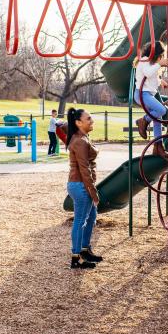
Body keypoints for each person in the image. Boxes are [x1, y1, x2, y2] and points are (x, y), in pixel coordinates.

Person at [66, 108, 103, 269]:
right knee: (80, 220)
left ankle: (84, 250)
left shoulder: (82, 138)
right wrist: (93, 192)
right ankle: (76, 258)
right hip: (80, 185)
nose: (92, 121)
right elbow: (84, 169)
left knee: (91, 217)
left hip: (80, 184)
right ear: (78, 123)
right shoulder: (80, 141)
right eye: (88, 119)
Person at [134, 41, 168, 157]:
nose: (161, 58)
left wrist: (161, 82)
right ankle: (143, 120)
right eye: (161, 55)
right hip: (142, 94)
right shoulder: (144, 60)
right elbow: (147, 73)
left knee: (157, 119)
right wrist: (160, 64)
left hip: (148, 94)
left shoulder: (151, 63)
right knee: (162, 110)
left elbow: (152, 77)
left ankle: (158, 147)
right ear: (156, 54)